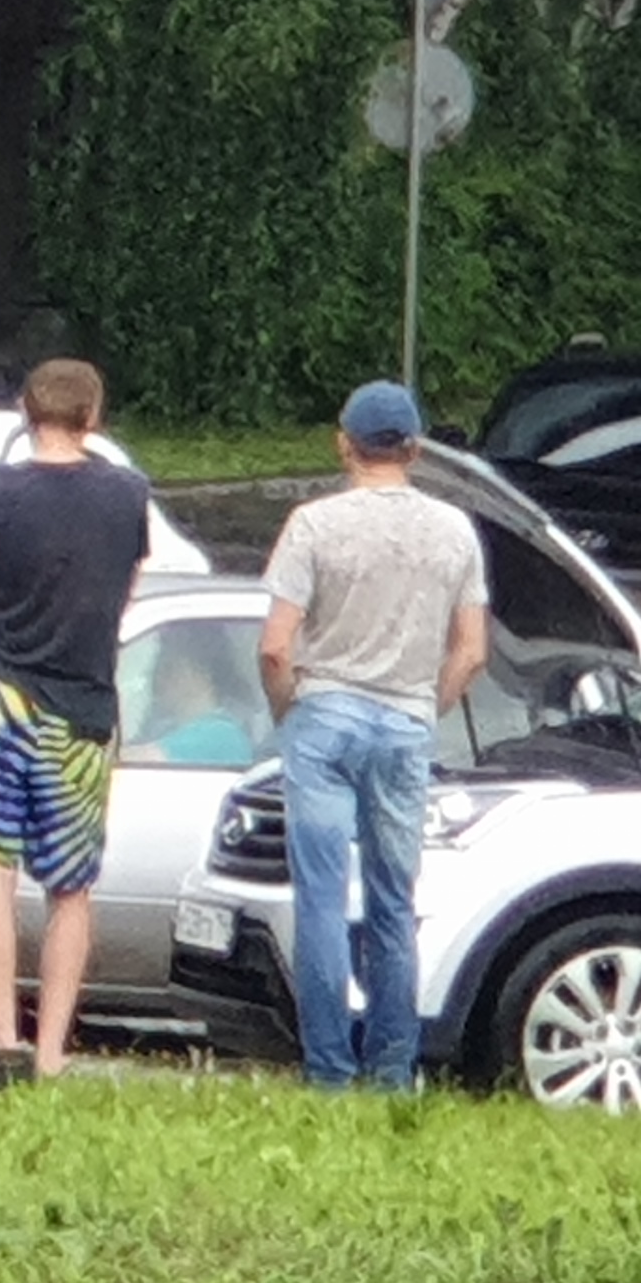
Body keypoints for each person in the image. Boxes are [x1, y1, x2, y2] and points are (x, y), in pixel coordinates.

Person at [258, 381, 491, 1093]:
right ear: (415, 449)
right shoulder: (455, 529)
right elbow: (472, 648)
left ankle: (327, 1069)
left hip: (324, 714)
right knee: (394, 901)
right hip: (405, 722)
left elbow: (275, 646)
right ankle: (393, 1068)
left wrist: (288, 711)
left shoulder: (314, 525)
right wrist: (428, 706)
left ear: (343, 443)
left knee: (322, 901)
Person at [0, 357, 156, 1087]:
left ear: (24, 413)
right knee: (70, 887)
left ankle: (2, 1041)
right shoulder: (128, 495)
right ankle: (54, 1050)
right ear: (93, 416)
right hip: (82, 706)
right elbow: (125, 590)